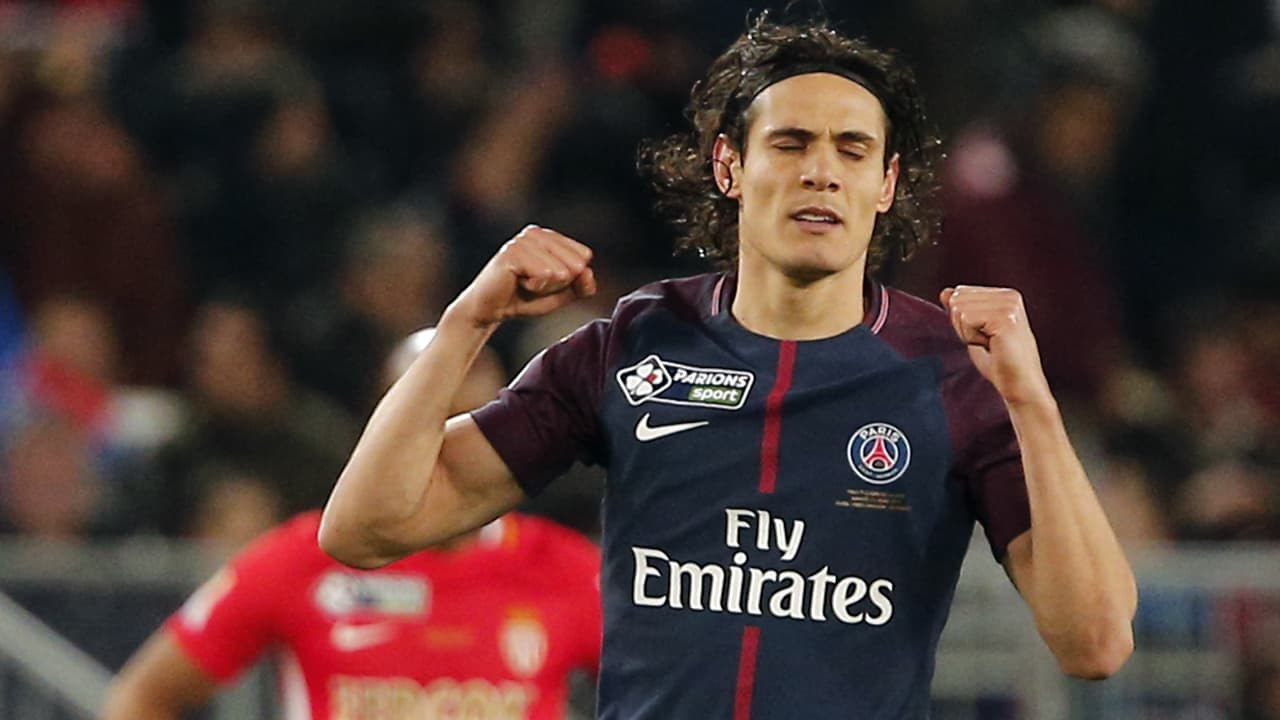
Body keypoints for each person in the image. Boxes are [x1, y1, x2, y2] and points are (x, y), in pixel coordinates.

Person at [320, 15, 1137, 719]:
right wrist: (466, 322)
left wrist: (1033, 405)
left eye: (853, 150)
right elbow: (365, 528)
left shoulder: (952, 380)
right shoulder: (634, 346)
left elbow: (1095, 643)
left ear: (885, 184)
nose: (821, 170)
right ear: (729, 166)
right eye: (791, 142)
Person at [101, 329, 602, 720]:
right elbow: (142, 698)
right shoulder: (306, 555)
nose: (449, 455)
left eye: (473, 428)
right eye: (429, 427)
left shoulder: (569, 569)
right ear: (385, 430)